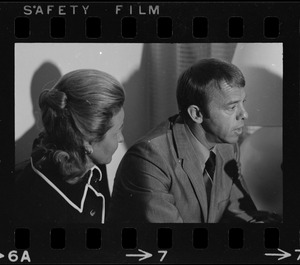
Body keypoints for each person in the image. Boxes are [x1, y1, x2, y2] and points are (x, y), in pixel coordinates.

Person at [108, 58, 277, 223]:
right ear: (196, 114)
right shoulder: (150, 159)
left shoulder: (227, 147)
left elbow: (239, 213)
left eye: (243, 103)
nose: (244, 114)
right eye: (232, 107)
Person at [14, 69, 125, 225]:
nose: (122, 139)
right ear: (87, 142)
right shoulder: (40, 206)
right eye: (117, 132)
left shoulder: (93, 159)